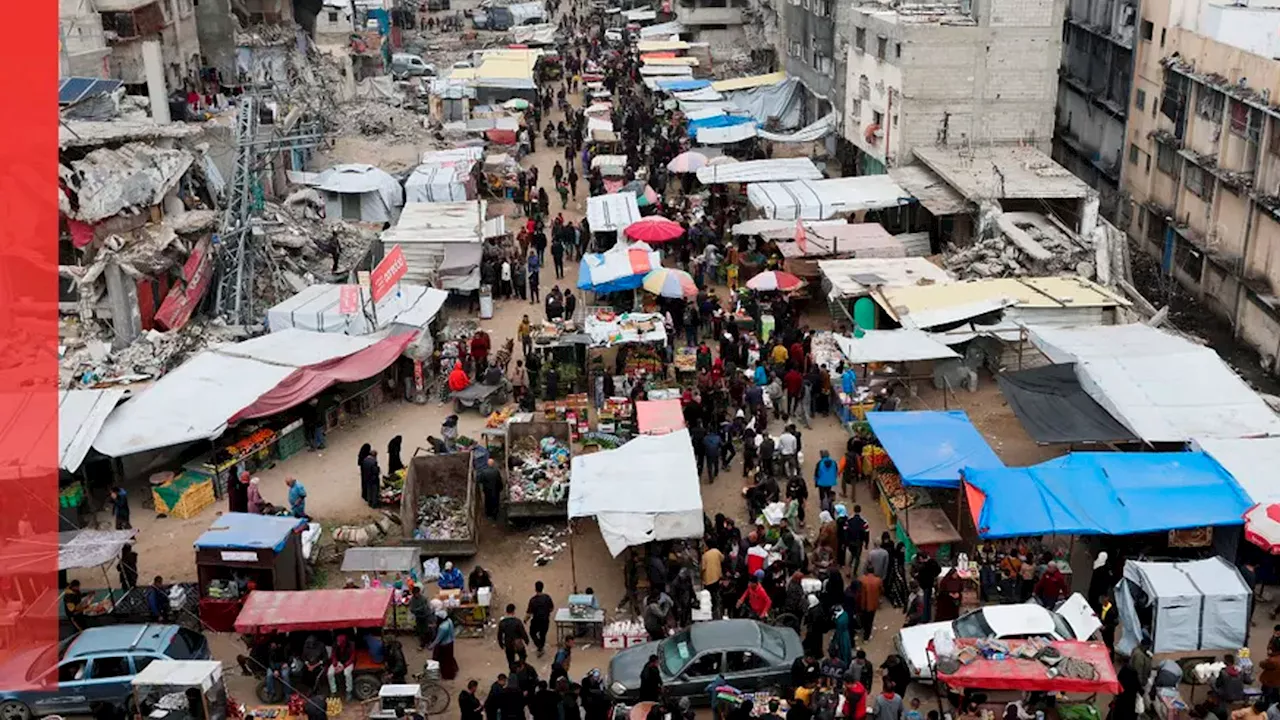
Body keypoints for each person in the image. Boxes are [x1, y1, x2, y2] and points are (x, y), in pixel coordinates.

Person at [429, 609, 459, 680]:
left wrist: (431, 646)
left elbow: (438, 639)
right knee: (449, 658)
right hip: (450, 643)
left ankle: (447, 675)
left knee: (444, 661)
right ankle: (454, 670)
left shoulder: (442, 627)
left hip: (444, 645)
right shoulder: (449, 621)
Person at [498, 603, 530, 668]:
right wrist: (526, 640)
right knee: (523, 656)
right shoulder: (517, 621)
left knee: (510, 660)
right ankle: (521, 667)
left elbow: (500, 635)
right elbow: (522, 632)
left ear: (506, 611)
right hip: (517, 643)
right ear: (513, 611)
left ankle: (512, 670)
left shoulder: (502, 623)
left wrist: (501, 644)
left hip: (508, 643)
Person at [857, 566, 883, 641]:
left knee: (863, 618)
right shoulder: (878, 580)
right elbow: (881, 590)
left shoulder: (862, 579)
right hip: (873, 604)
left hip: (863, 604)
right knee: (870, 621)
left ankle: (862, 628)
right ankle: (866, 637)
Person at [913, 551, 940, 621]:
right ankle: (928, 617)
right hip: (930, 584)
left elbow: (920, 576)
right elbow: (938, 570)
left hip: (924, 586)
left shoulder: (923, 567)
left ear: (921, 558)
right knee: (928, 602)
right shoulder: (933, 562)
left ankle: (925, 618)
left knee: (925, 602)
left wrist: (917, 575)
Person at [328, 633, 356, 699]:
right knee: (330, 673)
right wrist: (335, 665)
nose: (338, 643)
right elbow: (333, 655)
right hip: (338, 662)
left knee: (347, 674)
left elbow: (352, 658)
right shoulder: (335, 645)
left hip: (348, 662)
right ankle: (333, 691)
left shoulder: (351, 645)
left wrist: (344, 666)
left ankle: (349, 691)